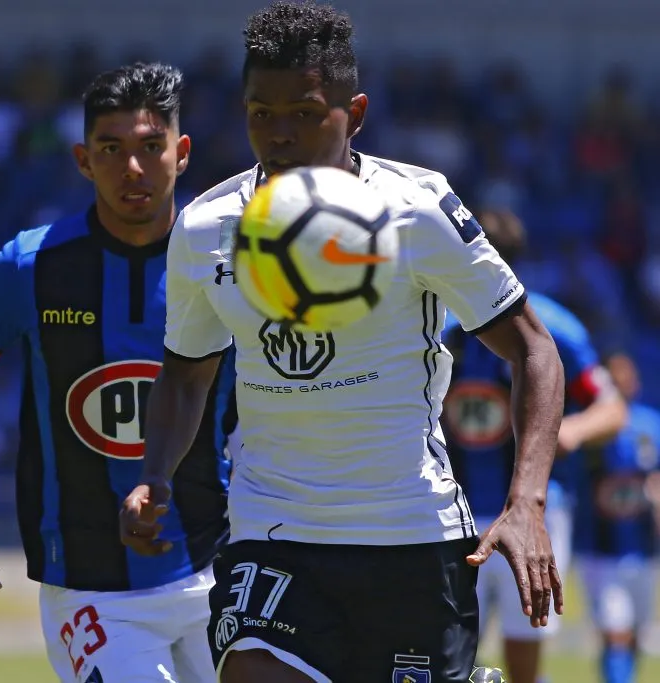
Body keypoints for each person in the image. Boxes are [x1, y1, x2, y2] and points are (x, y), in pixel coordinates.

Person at [119, 3, 566, 682]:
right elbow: (185, 374)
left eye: (304, 113)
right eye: (261, 114)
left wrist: (526, 501)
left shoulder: (417, 210)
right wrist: (154, 475)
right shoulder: (207, 227)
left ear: (353, 114)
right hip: (272, 528)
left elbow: (534, 348)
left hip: (409, 534)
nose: (279, 134)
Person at [0, 62, 237, 683]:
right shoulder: (30, 266)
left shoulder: (230, 262)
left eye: (150, 147)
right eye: (111, 149)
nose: (133, 168)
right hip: (93, 589)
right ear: (83, 160)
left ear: (181, 153)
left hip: (221, 571)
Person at [442, 209, 627, 683]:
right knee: (445, 655)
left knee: (522, 649)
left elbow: (612, 409)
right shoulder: (441, 323)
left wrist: (572, 431)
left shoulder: (552, 327)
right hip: (450, 510)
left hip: (531, 509)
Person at [573, 352, 660, 683]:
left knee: (635, 635)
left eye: (629, 375)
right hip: (600, 551)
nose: (624, 382)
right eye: (617, 376)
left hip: (643, 550)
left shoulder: (651, 424)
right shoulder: (589, 426)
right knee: (615, 633)